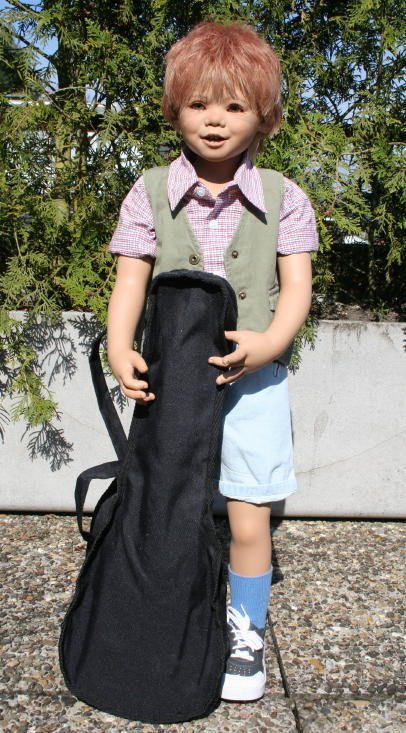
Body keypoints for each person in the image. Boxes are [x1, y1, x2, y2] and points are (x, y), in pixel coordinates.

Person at [107, 21, 318, 703]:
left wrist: (271, 342)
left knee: (249, 515)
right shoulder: (148, 192)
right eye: (199, 103)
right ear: (175, 110)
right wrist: (119, 346)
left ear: (265, 114)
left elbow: (297, 288)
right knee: (169, 504)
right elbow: (131, 280)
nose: (216, 120)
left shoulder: (284, 197)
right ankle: (167, 610)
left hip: (254, 386)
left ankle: (246, 630)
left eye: (234, 105)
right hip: (175, 385)